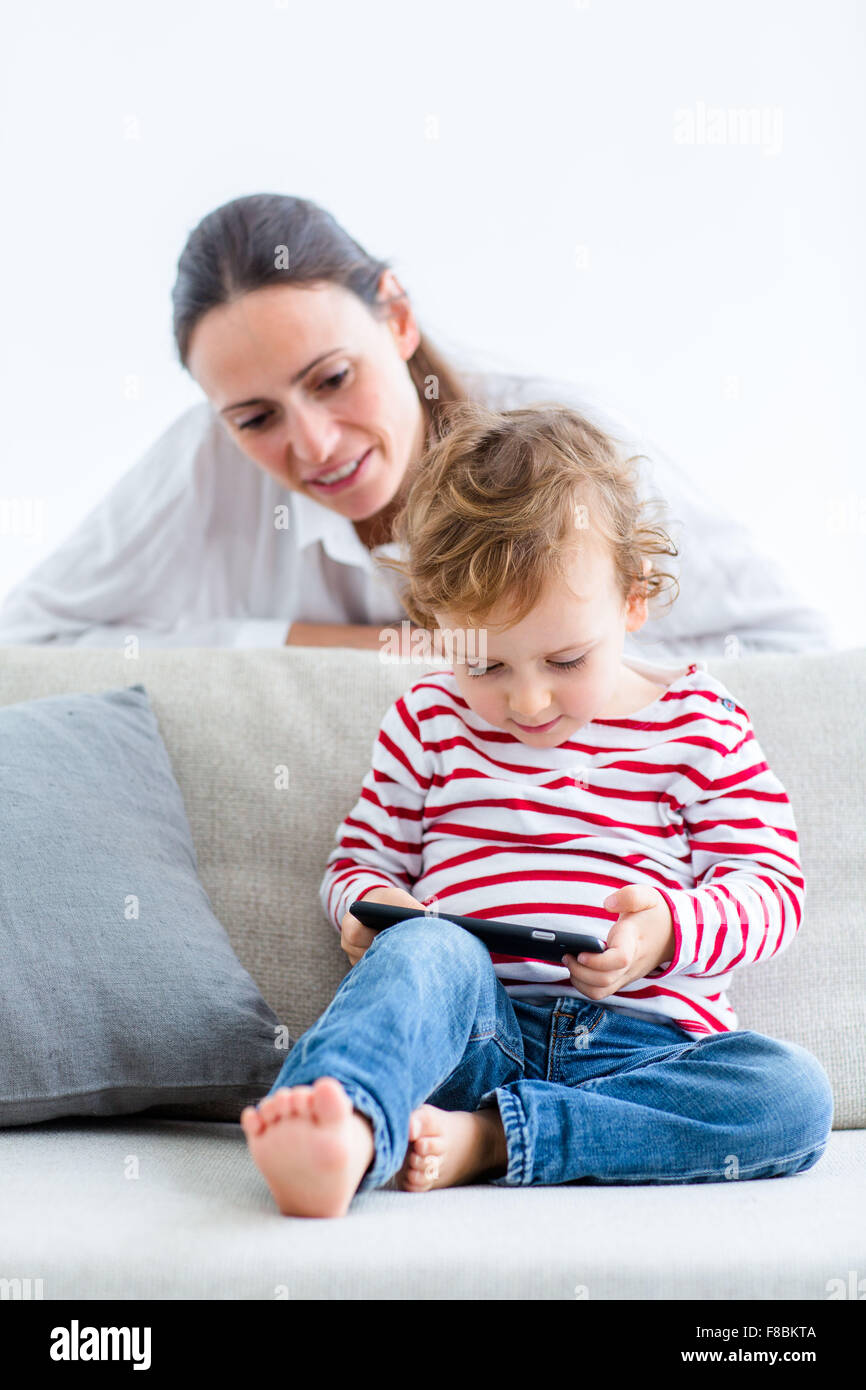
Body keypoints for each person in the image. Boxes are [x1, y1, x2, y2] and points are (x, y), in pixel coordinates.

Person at [239, 399, 834, 1219]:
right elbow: (357, 864)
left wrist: (665, 929)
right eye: (482, 665)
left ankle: (494, 1140)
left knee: (789, 1095)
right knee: (428, 951)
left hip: (642, 1053)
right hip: (473, 1030)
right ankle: (339, 1124)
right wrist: (377, 910)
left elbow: (772, 888)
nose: (526, 700)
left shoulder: (701, 724)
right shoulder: (427, 723)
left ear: (634, 600)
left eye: (564, 658)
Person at [0, 193, 834, 658]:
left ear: (397, 319)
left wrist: (553, 659)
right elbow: (27, 646)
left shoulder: (563, 447)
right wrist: (328, 646)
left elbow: (794, 650)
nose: (314, 446)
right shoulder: (200, 465)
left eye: (332, 378)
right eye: (255, 418)